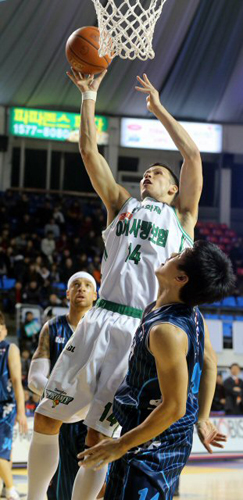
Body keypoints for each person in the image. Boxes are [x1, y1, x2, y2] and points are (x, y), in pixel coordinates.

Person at [27, 71, 203, 500]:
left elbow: (193, 157)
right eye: (145, 172)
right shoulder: (121, 206)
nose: (148, 175)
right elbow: (89, 152)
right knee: (46, 420)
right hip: (100, 318)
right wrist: (89, 95)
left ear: (173, 188)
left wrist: (158, 109)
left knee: (96, 442)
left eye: (158, 173)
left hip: (141, 332)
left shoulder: (182, 221)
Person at [78, 241, 235, 500]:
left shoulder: (166, 332)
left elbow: (175, 406)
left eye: (181, 255)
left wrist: (121, 444)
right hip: (152, 436)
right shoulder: (189, 314)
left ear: (181, 277)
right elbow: (209, 361)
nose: (173, 253)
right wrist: (203, 418)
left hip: (152, 446)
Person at [28, 272, 97, 500]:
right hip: (58, 416)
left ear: (95, 295)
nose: (81, 288)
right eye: (76, 285)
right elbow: (35, 378)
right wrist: (63, 398)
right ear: (67, 293)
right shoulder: (52, 327)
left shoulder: (102, 331)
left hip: (91, 419)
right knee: (61, 488)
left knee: (100, 487)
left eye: (88, 285)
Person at [0, 311, 28, 500]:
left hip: (5, 407)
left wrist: (21, 411)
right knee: (4, 452)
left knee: (2, 450)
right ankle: (6, 486)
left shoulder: (10, 349)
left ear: (4, 329)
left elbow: (17, 381)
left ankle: (10, 489)